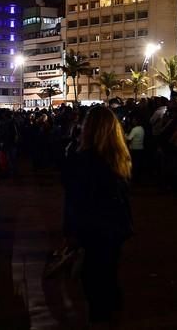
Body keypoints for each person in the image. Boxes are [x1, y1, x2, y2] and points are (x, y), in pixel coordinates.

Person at [62, 106, 133, 327]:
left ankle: (101, 318)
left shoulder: (82, 160)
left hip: (91, 229)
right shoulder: (120, 158)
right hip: (115, 228)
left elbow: (74, 199)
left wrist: (70, 231)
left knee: (92, 281)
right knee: (109, 274)